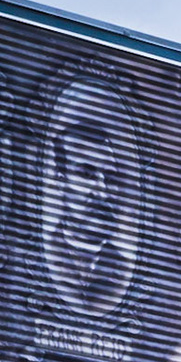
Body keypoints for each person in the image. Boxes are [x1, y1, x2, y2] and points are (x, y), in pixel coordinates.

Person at [46, 117, 131, 312]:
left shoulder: (123, 268)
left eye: (109, 178)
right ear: (60, 181)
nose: (102, 192)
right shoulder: (45, 255)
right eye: (86, 175)